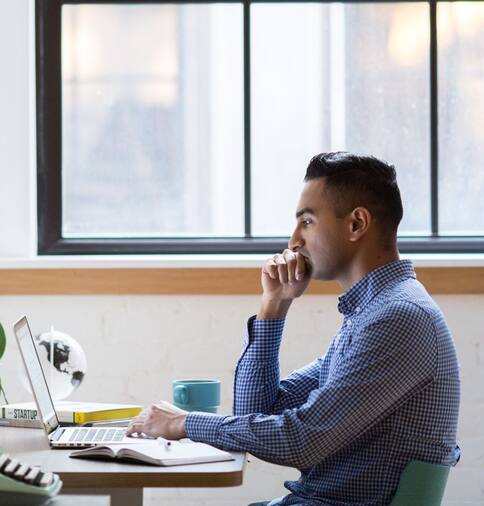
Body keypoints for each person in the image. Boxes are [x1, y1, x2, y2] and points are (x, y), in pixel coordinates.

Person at [127, 152, 461, 505]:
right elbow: (256, 413)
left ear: (356, 224)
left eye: (307, 222)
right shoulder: (370, 314)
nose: (293, 241)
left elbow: (301, 441)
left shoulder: (397, 318)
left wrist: (184, 423)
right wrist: (274, 306)